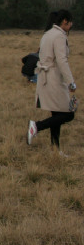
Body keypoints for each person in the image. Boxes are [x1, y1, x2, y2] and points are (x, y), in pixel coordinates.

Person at [27, 10, 76, 154]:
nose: (71, 25)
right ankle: (36, 126)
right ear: (65, 21)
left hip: (45, 77)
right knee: (68, 113)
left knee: (57, 114)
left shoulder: (48, 33)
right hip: (54, 78)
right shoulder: (59, 36)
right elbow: (62, 60)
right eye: (70, 22)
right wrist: (71, 82)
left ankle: (55, 149)